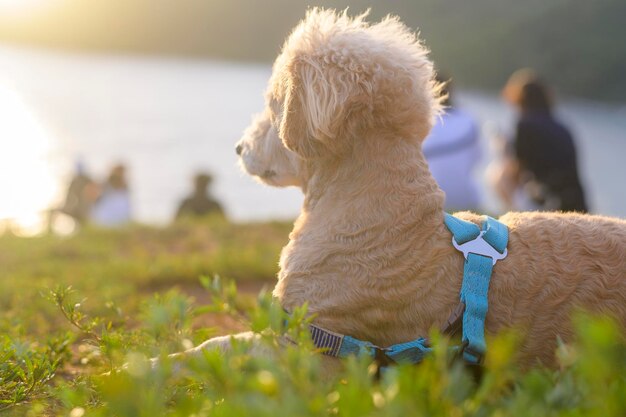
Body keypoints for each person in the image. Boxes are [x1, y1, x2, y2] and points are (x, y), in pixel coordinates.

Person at [500, 69, 588, 212]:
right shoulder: (562, 127)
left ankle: (513, 221)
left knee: (498, 177)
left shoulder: (524, 125)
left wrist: (505, 151)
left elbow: (514, 173)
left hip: (550, 203)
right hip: (577, 203)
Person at [422, 74, 482, 211]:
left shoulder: (419, 122)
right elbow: (477, 159)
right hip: (467, 198)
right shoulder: (469, 119)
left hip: (431, 199)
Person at [49, 160, 97, 229]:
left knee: (54, 212)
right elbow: (69, 196)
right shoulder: (78, 181)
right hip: (78, 209)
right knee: (53, 211)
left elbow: (70, 196)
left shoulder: (85, 181)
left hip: (83, 210)